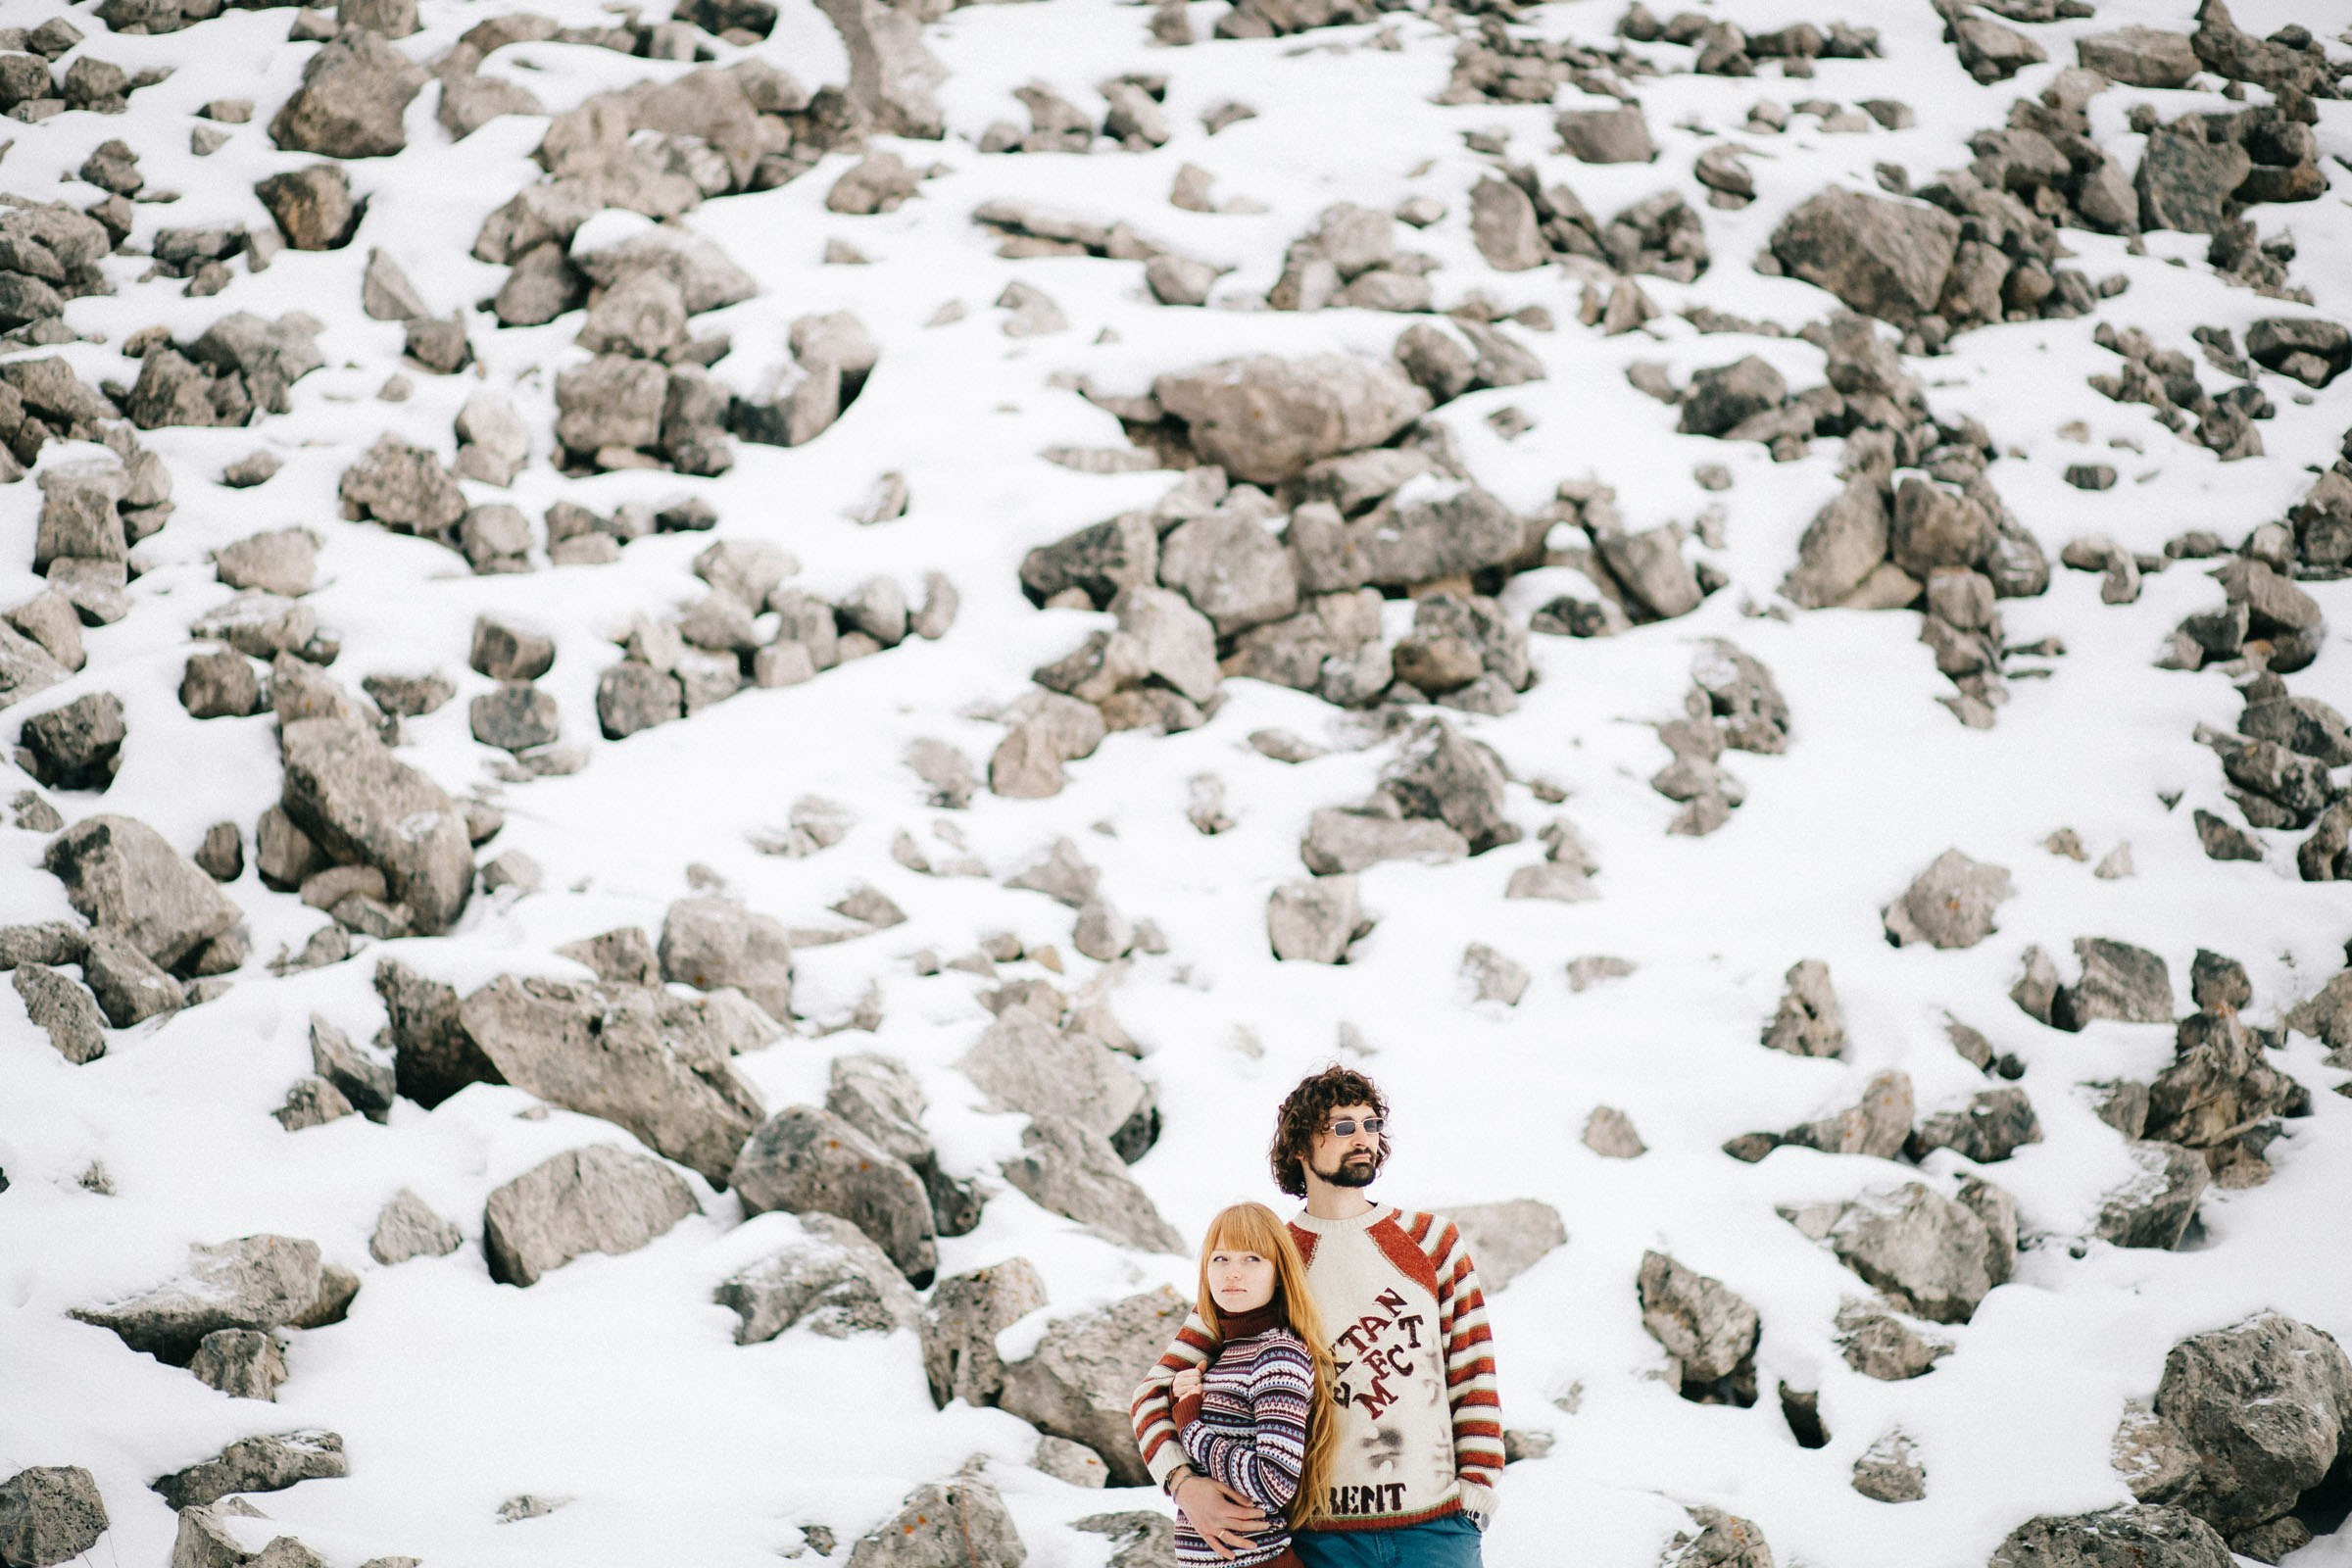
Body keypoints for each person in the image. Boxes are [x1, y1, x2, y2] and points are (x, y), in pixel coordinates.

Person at [1132, 1067, 1502, 1567]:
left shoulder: (1431, 1240)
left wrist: (1475, 1496)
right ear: (1300, 1146)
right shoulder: (1274, 1257)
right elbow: (1157, 1389)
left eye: (1371, 1125)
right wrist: (1183, 1483)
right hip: (1320, 1539)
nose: (1363, 1139)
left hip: (1435, 1530)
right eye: (1342, 1127)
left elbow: (1473, 1372)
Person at [1164, 1201, 1340, 1568]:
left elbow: (1273, 1482)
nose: (1232, 1273)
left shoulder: (1277, 1353)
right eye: (1221, 1259)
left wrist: (1192, 1427)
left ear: (1278, 1273)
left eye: (1251, 1259)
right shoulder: (1224, 1354)